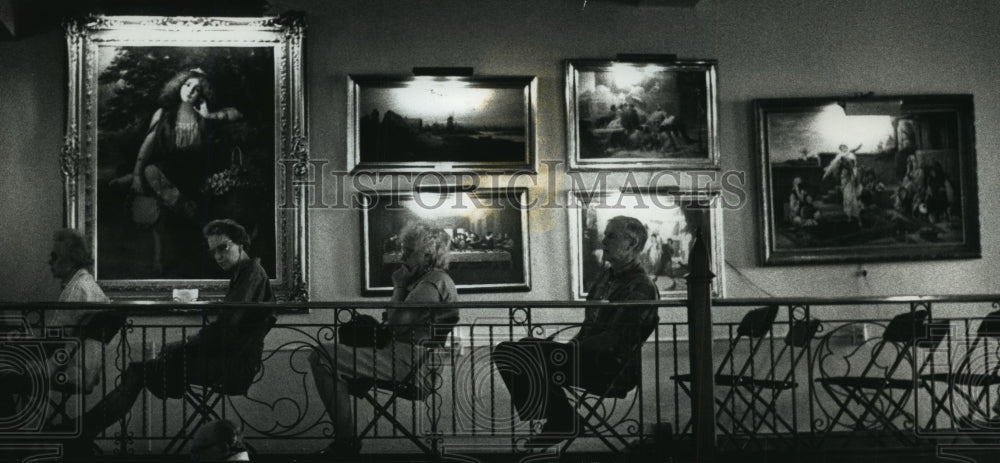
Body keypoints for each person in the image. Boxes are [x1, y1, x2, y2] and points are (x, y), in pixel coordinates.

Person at [64, 219, 274, 448]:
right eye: (213, 252)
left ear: (241, 244)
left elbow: (225, 330)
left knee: (139, 371)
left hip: (233, 367)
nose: (218, 257)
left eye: (223, 248)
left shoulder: (251, 272)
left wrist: (182, 344)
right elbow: (226, 329)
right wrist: (183, 346)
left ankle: (81, 432)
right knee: (141, 370)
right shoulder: (243, 274)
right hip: (228, 360)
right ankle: (83, 431)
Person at [492, 216, 659, 447]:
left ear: (632, 243)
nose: (604, 241)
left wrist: (567, 348)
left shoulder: (641, 286)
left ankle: (562, 420)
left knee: (516, 353)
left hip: (610, 367)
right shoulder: (606, 278)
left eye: (611, 236)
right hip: (589, 358)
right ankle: (561, 417)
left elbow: (617, 340)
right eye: (605, 235)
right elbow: (589, 328)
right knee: (511, 351)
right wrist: (566, 347)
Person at [309, 221, 459, 456]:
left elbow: (396, 323)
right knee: (326, 357)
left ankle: (345, 440)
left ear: (428, 254)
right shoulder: (428, 280)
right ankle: (345, 439)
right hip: (405, 359)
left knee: (323, 356)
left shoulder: (433, 281)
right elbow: (395, 321)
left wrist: (398, 286)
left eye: (409, 251)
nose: (402, 256)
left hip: (411, 364)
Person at [110, 69, 242, 221]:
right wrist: (137, 175)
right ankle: (182, 205)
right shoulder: (164, 113)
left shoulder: (203, 114)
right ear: (179, 85)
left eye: (197, 89)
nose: (190, 91)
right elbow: (148, 145)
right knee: (151, 170)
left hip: (195, 171)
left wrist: (208, 116)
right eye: (187, 85)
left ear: (202, 94)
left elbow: (237, 114)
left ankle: (133, 181)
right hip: (168, 167)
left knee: (160, 175)